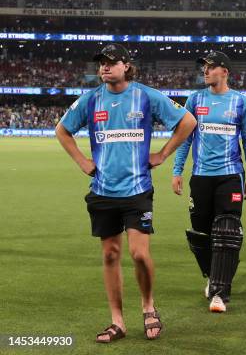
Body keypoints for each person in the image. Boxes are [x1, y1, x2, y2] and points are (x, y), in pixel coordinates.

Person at [55, 43, 196, 343]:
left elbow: (187, 122)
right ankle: (117, 321)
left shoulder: (145, 95)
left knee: (139, 254)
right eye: (101, 63)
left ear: (126, 66)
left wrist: (162, 154)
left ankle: (148, 306)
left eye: (111, 62)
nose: (105, 67)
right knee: (110, 254)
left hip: (137, 190)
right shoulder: (91, 100)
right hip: (103, 191)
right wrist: (82, 162)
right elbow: (62, 130)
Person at [172, 51, 246, 313]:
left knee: (227, 231)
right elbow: (184, 137)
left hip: (230, 175)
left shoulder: (241, 102)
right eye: (204, 68)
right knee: (202, 233)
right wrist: (177, 170)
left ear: (225, 71)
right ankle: (212, 276)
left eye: (210, 67)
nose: (205, 71)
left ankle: (220, 292)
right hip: (201, 177)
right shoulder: (195, 99)